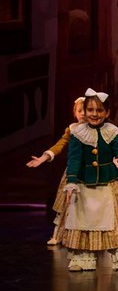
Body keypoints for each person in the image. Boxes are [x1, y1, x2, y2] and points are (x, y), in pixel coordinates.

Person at [62, 88, 118, 272]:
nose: (94, 114)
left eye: (99, 111)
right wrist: (71, 181)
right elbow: (74, 159)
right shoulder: (78, 133)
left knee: (116, 223)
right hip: (84, 185)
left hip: (108, 184)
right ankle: (83, 258)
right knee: (83, 221)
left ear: (107, 113)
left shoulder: (112, 132)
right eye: (90, 110)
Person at [26, 96, 86, 245]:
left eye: (86, 110)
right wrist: (43, 158)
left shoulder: (98, 129)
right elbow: (60, 145)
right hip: (74, 172)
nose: (83, 113)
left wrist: (112, 159)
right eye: (80, 110)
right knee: (66, 204)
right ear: (75, 113)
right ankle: (58, 235)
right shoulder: (72, 129)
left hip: (92, 173)